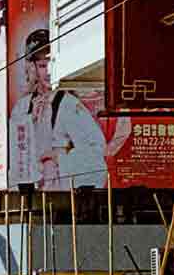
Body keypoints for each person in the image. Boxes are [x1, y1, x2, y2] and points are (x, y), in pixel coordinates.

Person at [10, 29, 107, 189]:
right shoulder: (21, 107)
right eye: (42, 65)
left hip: (60, 193)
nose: (47, 72)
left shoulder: (68, 104)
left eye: (51, 62)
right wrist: (30, 121)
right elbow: (14, 156)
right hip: (28, 194)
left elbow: (96, 150)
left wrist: (60, 159)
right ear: (32, 67)